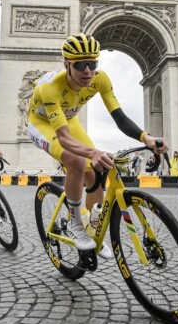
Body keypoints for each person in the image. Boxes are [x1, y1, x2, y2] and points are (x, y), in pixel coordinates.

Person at [27, 33, 167, 256]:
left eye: (92, 64)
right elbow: (63, 138)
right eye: (81, 65)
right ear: (67, 64)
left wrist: (146, 138)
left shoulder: (101, 79)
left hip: (68, 119)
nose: (87, 71)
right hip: (42, 124)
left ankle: (94, 226)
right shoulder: (49, 87)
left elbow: (119, 117)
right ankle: (75, 224)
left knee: (96, 172)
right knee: (77, 161)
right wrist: (92, 152)